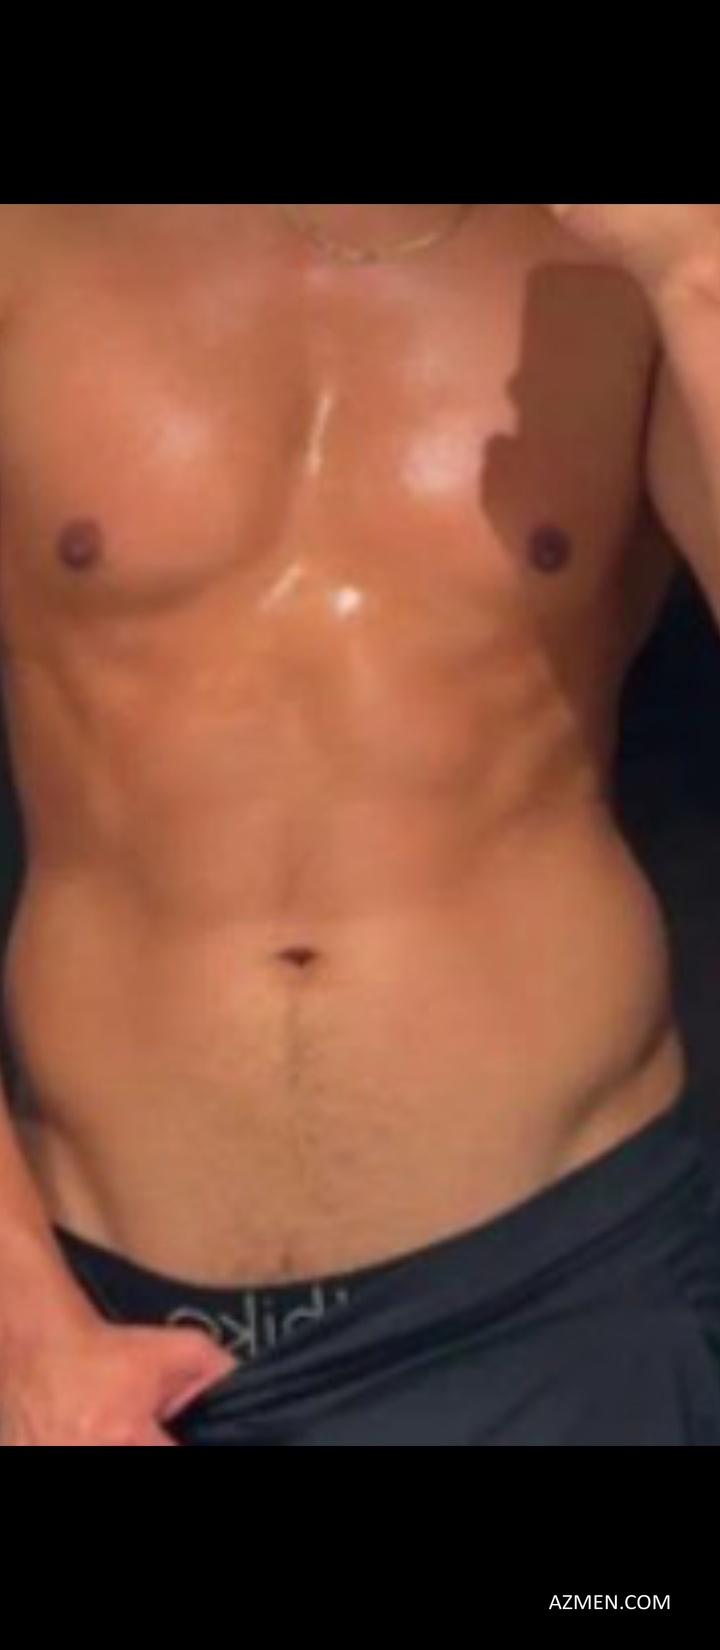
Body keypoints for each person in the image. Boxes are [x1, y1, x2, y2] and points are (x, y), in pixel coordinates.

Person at [0, 202, 719, 1447]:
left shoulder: (628, 266)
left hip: (560, 1301)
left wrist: (697, 272)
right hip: (87, 1335)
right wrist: (26, 1332)